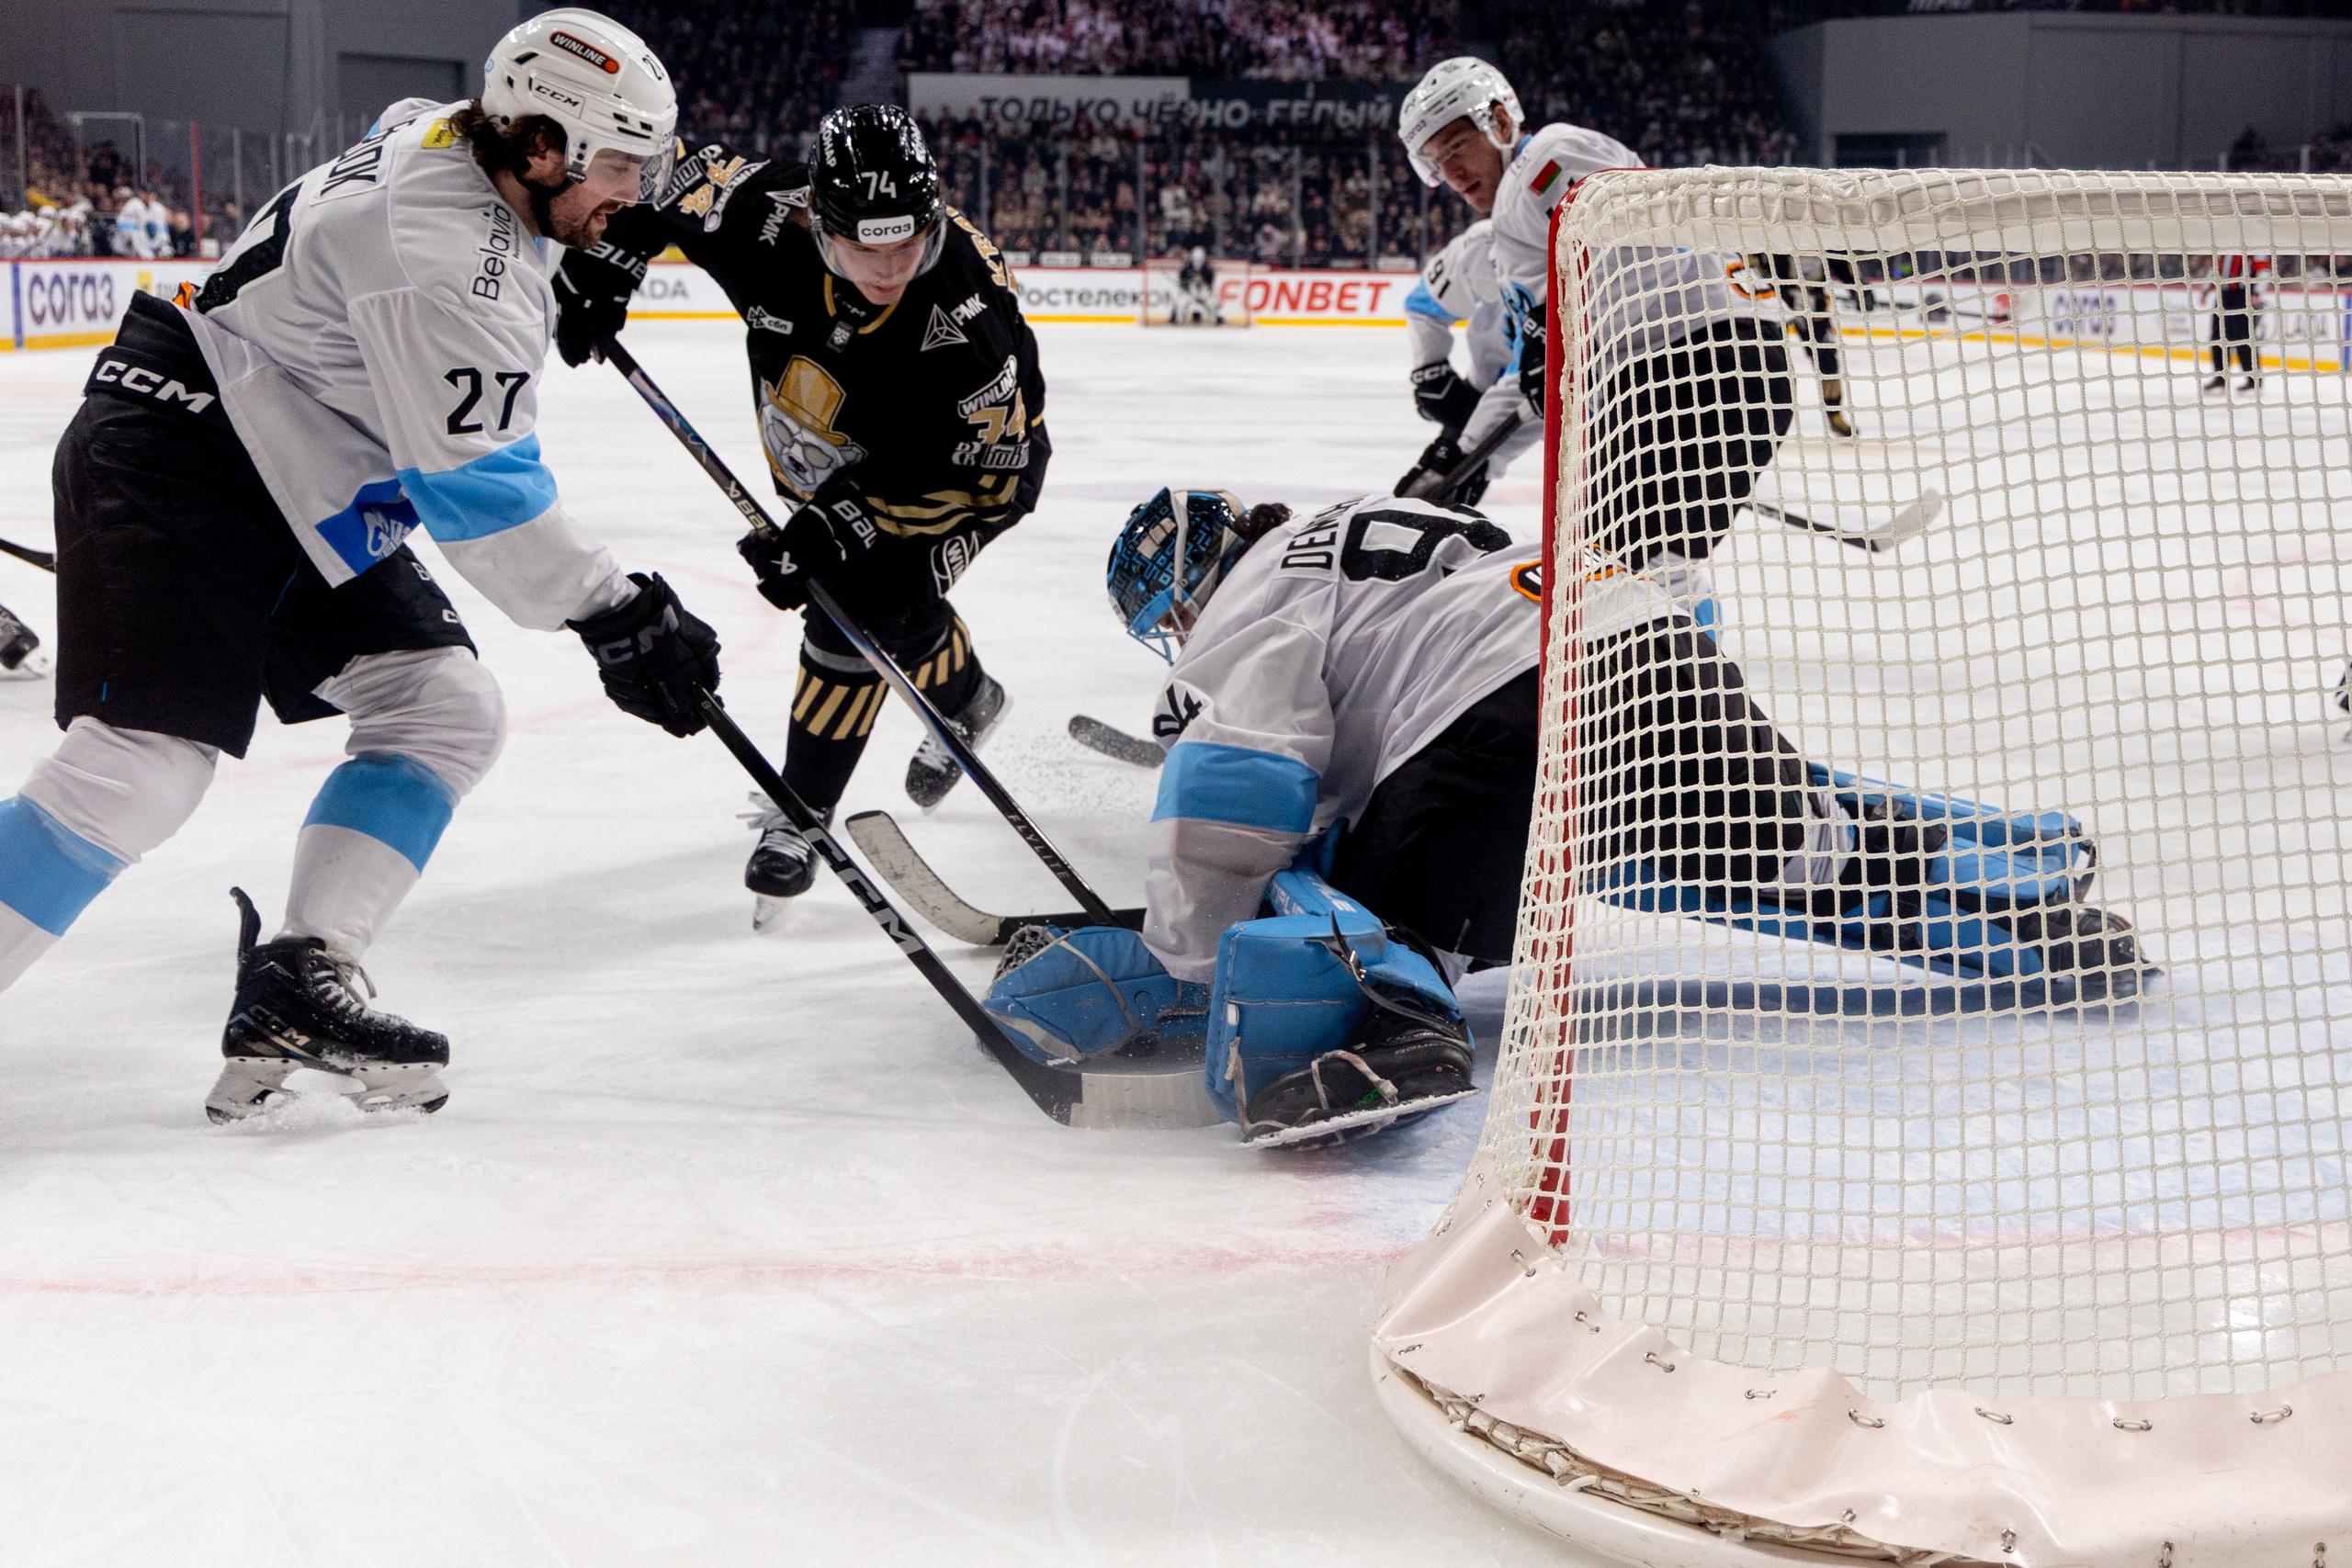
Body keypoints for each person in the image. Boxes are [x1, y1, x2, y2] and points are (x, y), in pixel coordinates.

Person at [0, 7, 722, 1123]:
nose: (633, 190)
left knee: (443, 707)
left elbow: (409, 151)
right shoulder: (450, 265)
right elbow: (481, 496)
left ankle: (299, 979)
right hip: (190, 449)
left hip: (287, 467)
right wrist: (618, 613)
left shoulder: (454, 135)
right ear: (537, 146)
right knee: (142, 766)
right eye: (617, 166)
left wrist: (555, 255)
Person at [984, 488, 2143, 1146]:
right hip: (1654, 647)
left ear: (1193, 576)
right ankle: (2019, 904)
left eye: (1171, 615)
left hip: (1492, 726)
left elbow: (1247, 777)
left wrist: (1182, 951)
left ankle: (1396, 1035)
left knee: (1372, 924)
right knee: (1787, 856)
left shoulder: (1251, 591)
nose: (1184, 636)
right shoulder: (1363, 525)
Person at [556, 104, 1046, 918]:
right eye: (865, 247)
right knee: (895, 607)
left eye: (906, 245)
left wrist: (840, 524)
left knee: (860, 596)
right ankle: (969, 699)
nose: (889, 269)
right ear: (818, 220)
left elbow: (975, 466)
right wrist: (610, 259)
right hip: (836, 457)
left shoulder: (961, 322)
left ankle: (800, 811)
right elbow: (659, 169)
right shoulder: (764, 215)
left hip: (967, 480)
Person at [1397, 55, 1788, 625]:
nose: (1451, 171)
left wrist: (1544, 342)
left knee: (1626, 576)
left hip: (1698, 363)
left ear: (1500, 123)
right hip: (1673, 375)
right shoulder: (1511, 236)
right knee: (1632, 568)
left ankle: (1692, 697)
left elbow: (1622, 235)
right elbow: (1531, 378)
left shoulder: (1548, 156)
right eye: (1436, 161)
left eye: (1457, 146)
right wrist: (1459, 456)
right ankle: (1687, 691)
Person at [1393, 219, 1524, 503]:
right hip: (1493, 389)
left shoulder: (1603, 254)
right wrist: (1431, 371)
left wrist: (1471, 450)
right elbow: (1423, 306)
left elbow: (1541, 375)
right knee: (1424, 499)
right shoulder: (1483, 243)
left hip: (1597, 403)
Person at [1742, 252, 1858, 437]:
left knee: (1827, 358)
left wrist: (1856, 287)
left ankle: (1834, 414)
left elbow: (1839, 262)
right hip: (1777, 302)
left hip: (1814, 305)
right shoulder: (1778, 235)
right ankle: (1759, 414)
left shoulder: (1823, 238)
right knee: (1769, 359)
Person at [2206, 251, 2268, 395]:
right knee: (2218, 337)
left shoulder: (2251, 248)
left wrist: (2257, 292)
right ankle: (2220, 378)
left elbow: (2263, 270)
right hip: (2223, 295)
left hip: (2242, 294)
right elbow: (2215, 269)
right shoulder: (2223, 248)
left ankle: (2254, 381)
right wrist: (2206, 289)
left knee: (2243, 338)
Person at [1171, 245, 1221, 325]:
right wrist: (1187, 282)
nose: (1198, 261)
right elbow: (1182, 280)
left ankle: (1215, 321)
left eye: (1200, 259)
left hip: (1203, 292)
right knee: (1180, 303)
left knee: (1213, 303)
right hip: (1189, 292)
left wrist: (1203, 280)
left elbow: (1210, 282)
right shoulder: (1186, 268)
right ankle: (1178, 321)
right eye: (1196, 258)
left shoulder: (1208, 269)